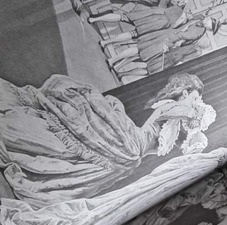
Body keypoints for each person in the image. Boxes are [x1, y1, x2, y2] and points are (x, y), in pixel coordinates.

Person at [0, 72, 212, 209]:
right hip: (130, 144)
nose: (197, 102)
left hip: (131, 154)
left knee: (78, 162)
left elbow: (186, 138)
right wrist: (199, 113)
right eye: (195, 97)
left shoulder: (177, 124)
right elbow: (191, 115)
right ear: (185, 93)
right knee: (69, 144)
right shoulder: (171, 107)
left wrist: (195, 141)